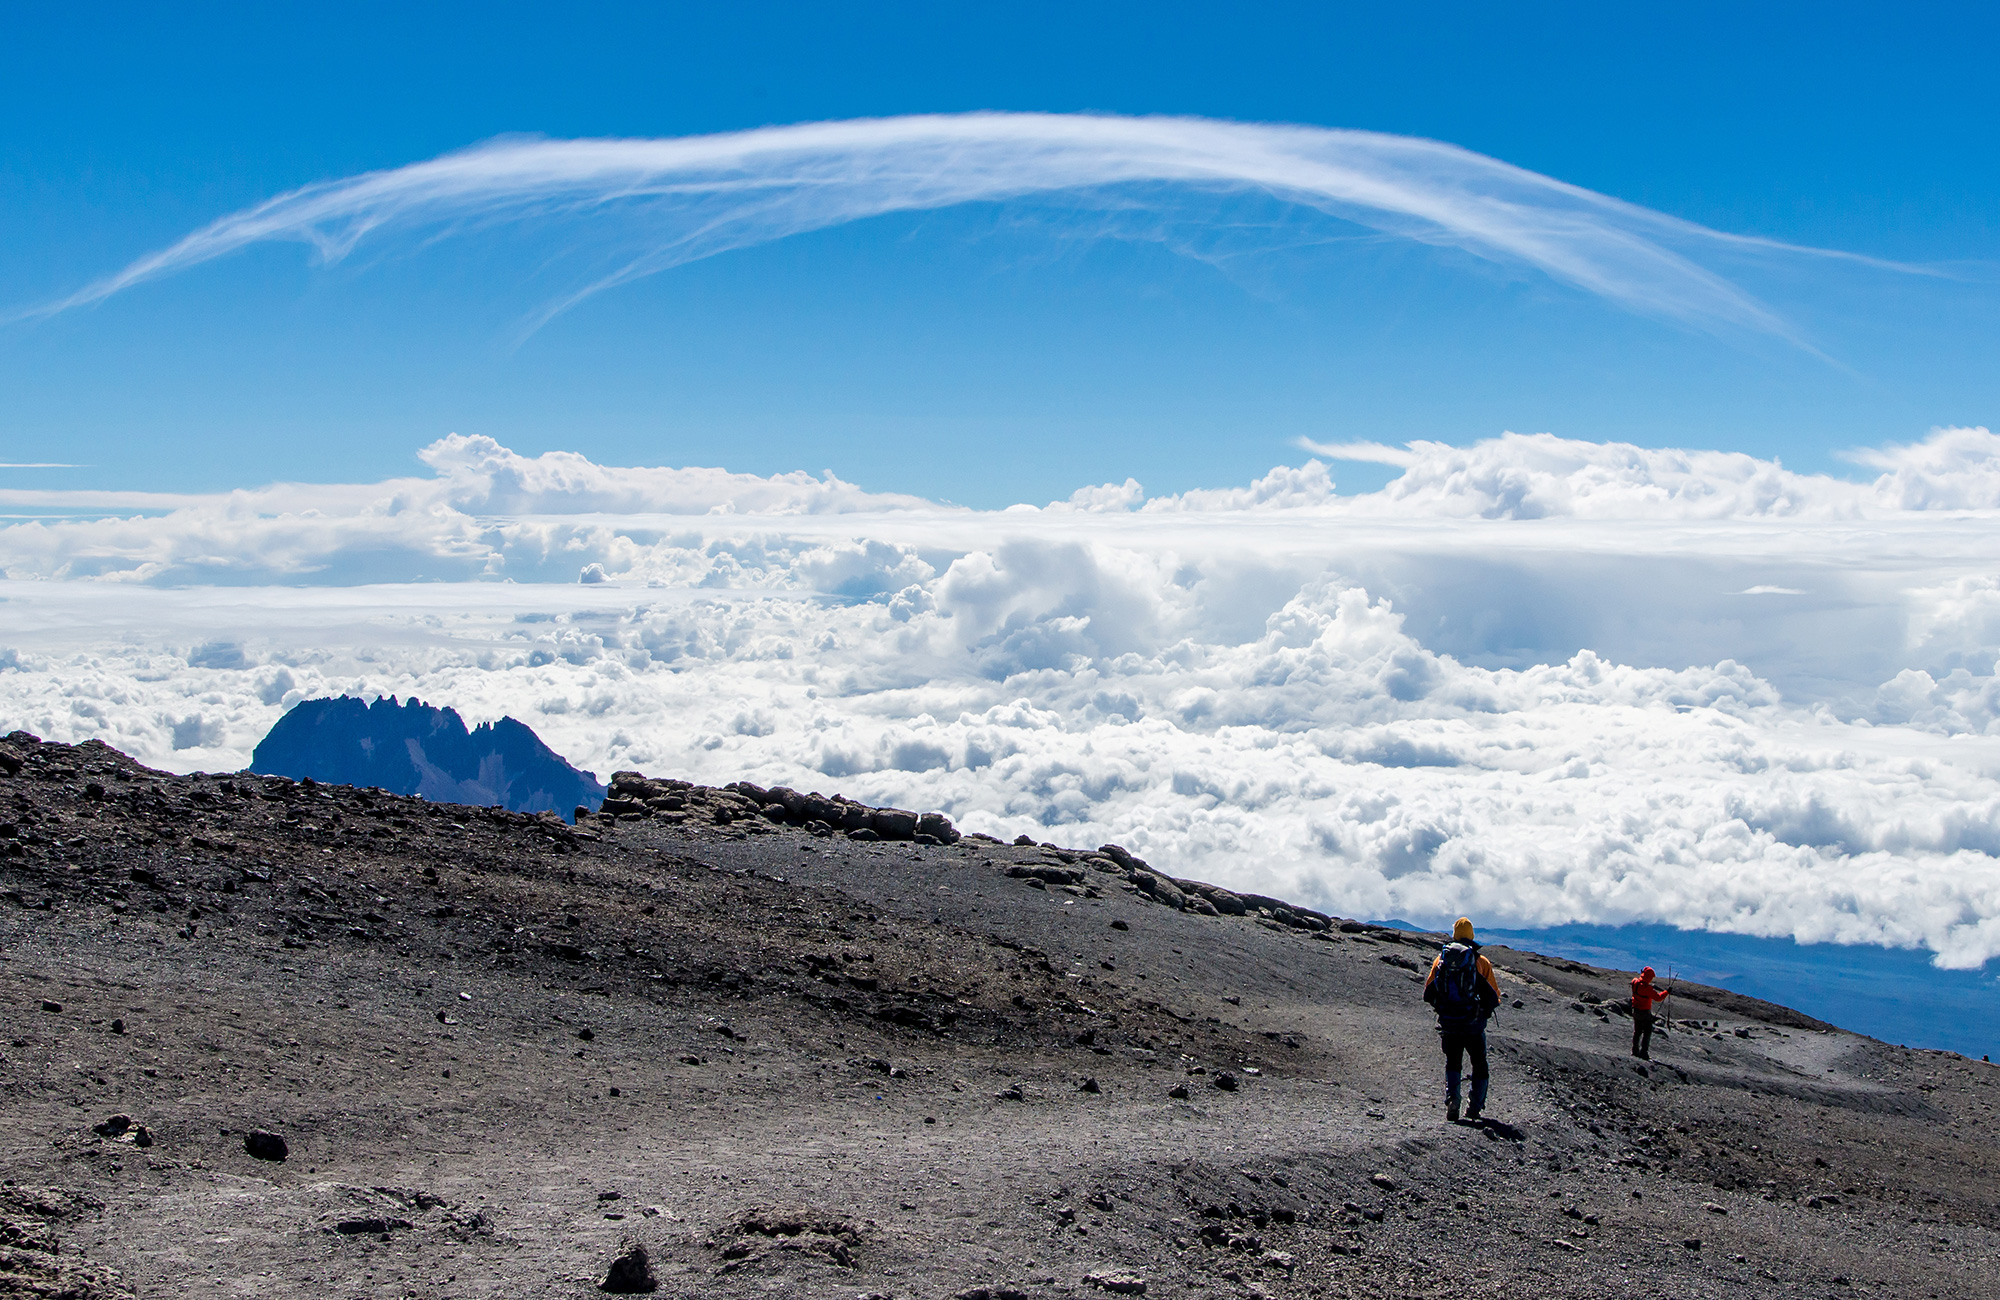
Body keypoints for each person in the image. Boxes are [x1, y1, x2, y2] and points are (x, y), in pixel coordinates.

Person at [1423, 917, 1502, 1122]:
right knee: (1479, 1064)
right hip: (1473, 1024)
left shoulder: (1441, 961)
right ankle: (1474, 1107)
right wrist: (1481, 1013)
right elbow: (1493, 997)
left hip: (1449, 1023)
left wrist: (1444, 1009)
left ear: (1454, 934)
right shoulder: (1480, 962)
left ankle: (1452, 1099)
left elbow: (1428, 994)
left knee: (1453, 1062)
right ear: (1472, 935)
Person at [1629, 966, 1671, 1060]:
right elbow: (1658, 998)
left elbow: (1635, 982)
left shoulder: (1635, 982)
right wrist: (1667, 992)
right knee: (1647, 1032)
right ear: (1648, 977)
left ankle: (1635, 1051)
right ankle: (1644, 1053)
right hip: (1644, 1012)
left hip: (1635, 1010)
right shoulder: (1647, 988)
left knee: (1637, 1031)